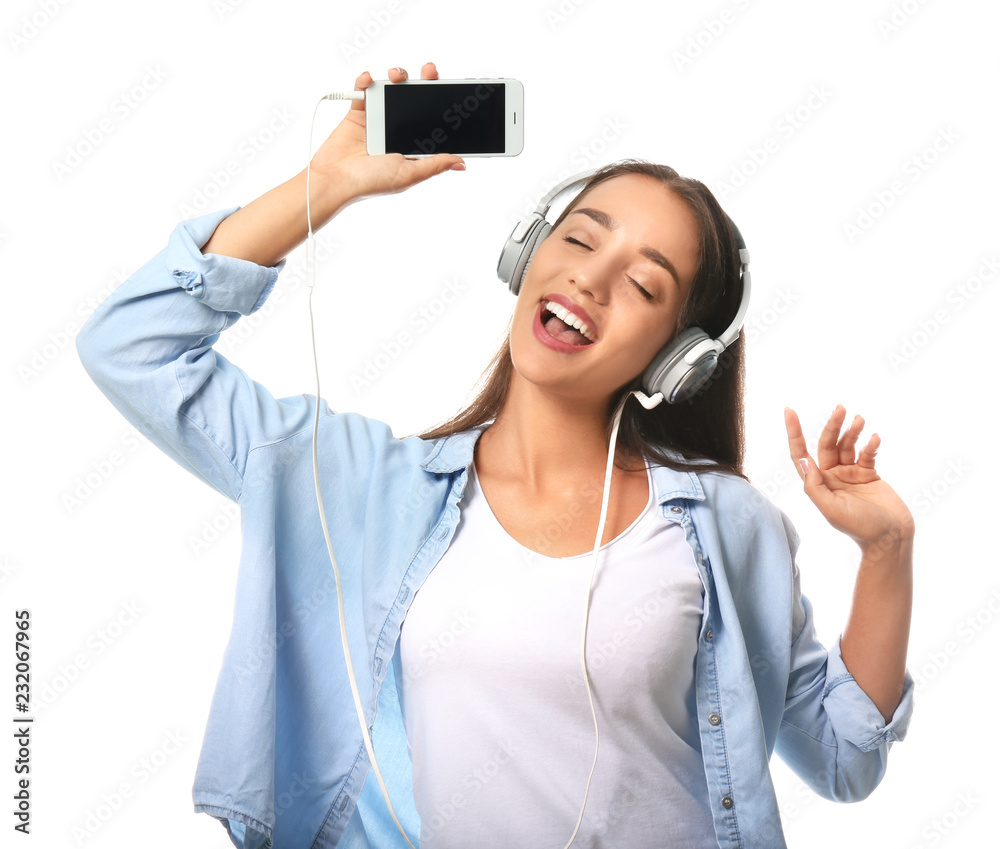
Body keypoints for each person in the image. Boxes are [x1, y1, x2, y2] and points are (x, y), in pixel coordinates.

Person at [76, 62, 916, 849]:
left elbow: (844, 758)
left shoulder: (726, 526)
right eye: (581, 240)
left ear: (676, 360)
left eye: (645, 284)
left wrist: (887, 550)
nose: (592, 279)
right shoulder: (363, 488)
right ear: (527, 253)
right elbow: (131, 347)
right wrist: (322, 189)